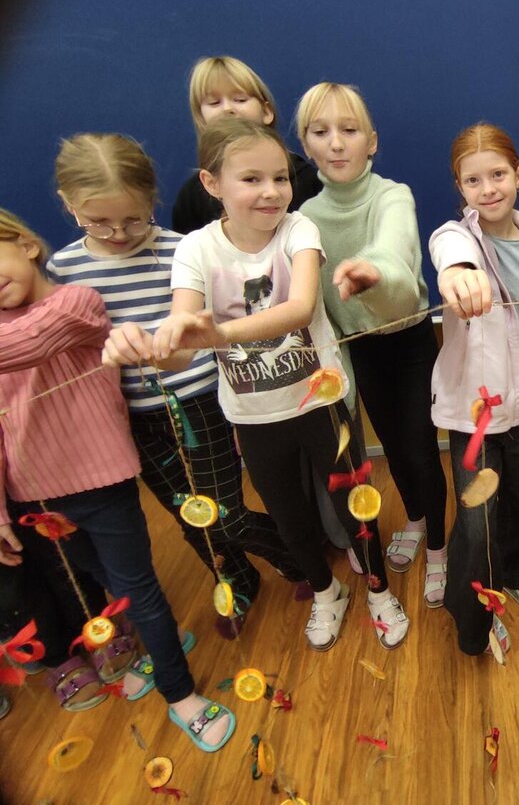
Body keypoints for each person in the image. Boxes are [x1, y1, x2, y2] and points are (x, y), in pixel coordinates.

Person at [130, 117, 408, 652]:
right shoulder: (195, 250)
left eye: (280, 178)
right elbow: (182, 344)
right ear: (212, 183)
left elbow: (300, 308)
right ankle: (326, 591)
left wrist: (218, 334)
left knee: (355, 504)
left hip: (323, 405)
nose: (272, 191)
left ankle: (378, 589)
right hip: (254, 417)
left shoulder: (299, 230)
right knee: (289, 515)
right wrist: (153, 348)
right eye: (251, 179)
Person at [0, 208, 234, 751]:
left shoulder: (75, 303)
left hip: (101, 485)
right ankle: (164, 637)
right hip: (34, 498)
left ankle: (181, 696)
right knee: (100, 577)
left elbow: (31, 342)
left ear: (26, 244)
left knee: (136, 588)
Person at [49, 133, 301, 636]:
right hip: (131, 415)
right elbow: (76, 350)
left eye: (134, 219)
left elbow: (202, 329)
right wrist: (109, 349)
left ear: (153, 201)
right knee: (191, 516)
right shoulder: (64, 268)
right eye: (98, 222)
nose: (118, 233)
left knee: (225, 514)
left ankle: (297, 556)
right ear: (69, 205)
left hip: (198, 401)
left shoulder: (182, 250)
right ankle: (236, 580)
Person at [295, 82, 449, 606]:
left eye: (349, 130)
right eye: (321, 132)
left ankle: (439, 548)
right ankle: (416, 518)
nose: (337, 143)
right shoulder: (306, 218)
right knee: (394, 452)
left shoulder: (392, 195)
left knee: (421, 450)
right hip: (358, 351)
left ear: (372, 141)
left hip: (409, 343)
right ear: (307, 144)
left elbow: (393, 245)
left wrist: (373, 271)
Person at [430, 123, 519, 655]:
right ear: (459, 187)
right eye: (473, 180)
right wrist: (459, 274)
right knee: (477, 513)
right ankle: (474, 615)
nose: (487, 189)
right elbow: (449, 252)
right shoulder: (459, 239)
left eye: (498, 175)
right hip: (477, 409)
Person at [171, 56, 321, 234]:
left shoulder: (304, 179)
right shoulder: (191, 197)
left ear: (266, 111)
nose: (227, 109)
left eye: (240, 99)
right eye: (214, 103)